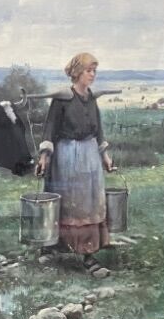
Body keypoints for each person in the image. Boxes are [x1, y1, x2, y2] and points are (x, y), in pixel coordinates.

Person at [36, 52, 114, 276]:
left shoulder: (90, 98)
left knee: (89, 204)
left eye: (94, 71)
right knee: (68, 203)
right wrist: (44, 156)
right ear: (77, 72)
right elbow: (50, 129)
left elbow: (98, 130)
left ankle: (88, 254)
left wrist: (105, 156)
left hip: (89, 156)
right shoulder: (62, 99)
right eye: (89, 71)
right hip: (67, 157)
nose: (93, 75)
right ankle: (51, 246)